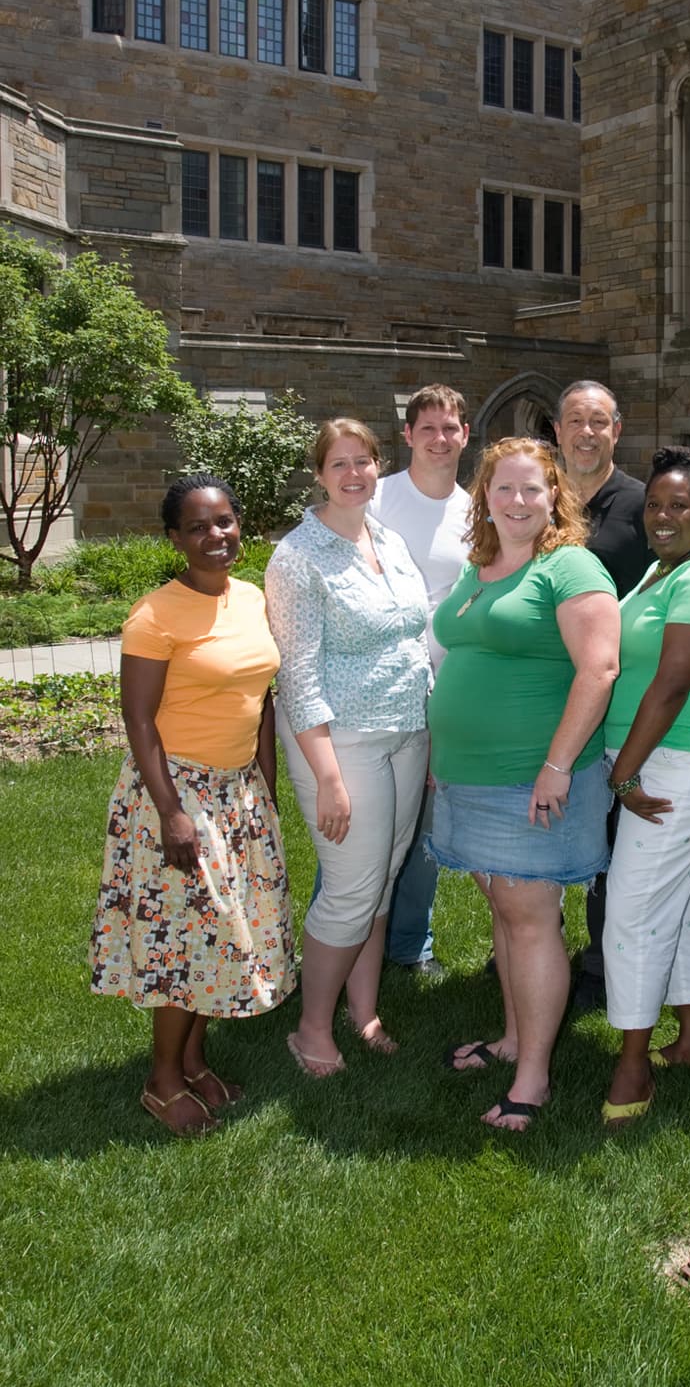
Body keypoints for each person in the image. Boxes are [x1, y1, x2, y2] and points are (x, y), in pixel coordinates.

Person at [90, 474, 295, 1137]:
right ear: (174, 538)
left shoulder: (252, 598)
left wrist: (263, 785)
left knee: (218, 934)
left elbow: (261, 700)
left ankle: (195, 1060)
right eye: (199, 526)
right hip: (176, 791)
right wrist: (172, 811)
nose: (217, 536)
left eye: (226, 521)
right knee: (186, 938)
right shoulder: (155, 615)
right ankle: (162, 1078)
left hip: (236, 792)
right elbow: (139, 721)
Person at [429, 437, 620, 1131]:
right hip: (467, 776)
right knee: (507, 911)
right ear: (484, 494)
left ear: (554, 497)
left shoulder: (570, 566)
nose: (516, 501)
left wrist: (557, 765)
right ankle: (512, 1037)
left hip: (529, 778)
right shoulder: (481, 565)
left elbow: (598, 670)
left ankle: (532, 1077)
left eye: (532, 489)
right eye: (503, 488)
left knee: (530, 917)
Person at [265, 418, 431, 1077]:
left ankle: (362, 1012)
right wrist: (328, 777)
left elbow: (409, 636)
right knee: (351, 884)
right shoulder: (298, 557)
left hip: (404, 729)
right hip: (341, 741)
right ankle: (310, 1029)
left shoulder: (382, 536)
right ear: (319, 474)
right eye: (340, 463)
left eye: (364, 461)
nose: (354, 473)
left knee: (382, 874)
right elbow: (297, 675)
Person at [600, 447, 690, 1123]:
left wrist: (622, 772)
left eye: (680, 505)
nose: (663, 516)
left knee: (632, 908)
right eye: (654, 504)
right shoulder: (665, 569)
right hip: (659, 759)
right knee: (681, 899)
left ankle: (632, 1064)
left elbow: (672, 685)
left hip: (680, 763)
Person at [554, 378, 651, 1010]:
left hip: (616, 689)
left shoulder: (645, 504)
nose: (586, 433)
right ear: (557, 431)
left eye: (599, 422)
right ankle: (531, 936)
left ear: (617, 431)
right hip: (544, 687)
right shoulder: (536, 497)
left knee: (609, 827)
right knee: (542, 813)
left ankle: (601, 959)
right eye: (574, 422)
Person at [372, 384, 471, 977]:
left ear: (465, 435)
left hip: (448, 692)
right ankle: (346, 942)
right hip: (380, 691)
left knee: (424, 830)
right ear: (407, 436)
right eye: (427, 428)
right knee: (366, 831)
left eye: (450, 428)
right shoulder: (378, 499)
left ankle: (409, 946)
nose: (440, 438)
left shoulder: (477, 509)